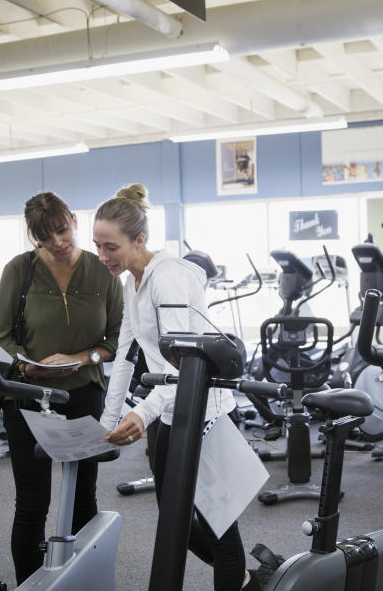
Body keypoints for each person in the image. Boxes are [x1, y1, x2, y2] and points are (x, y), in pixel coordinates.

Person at [94, 184, 259, 591]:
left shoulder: (168, 280)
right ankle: (248, 580)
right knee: (176, 524)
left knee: (221, 531)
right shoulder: (129, 283)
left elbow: (186, 366)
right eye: (97, 246)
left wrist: (141, 412)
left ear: (139, 240)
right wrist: (107, 421)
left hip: (206, 412)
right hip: (171, 410)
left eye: (110, 247)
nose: (102, 257)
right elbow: (125, 354)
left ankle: (238, 578)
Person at [0, 192, 123, 584]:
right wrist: (25, 365)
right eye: (45, 237)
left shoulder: (102, 271)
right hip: (29, 398)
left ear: (74, 221)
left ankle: (84, 581)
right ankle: (33, 584)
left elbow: (116, 338)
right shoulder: (20, 269)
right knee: (32, 504)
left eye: (62, 230)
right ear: (35, 239)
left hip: (83, 394)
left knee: (84, 499)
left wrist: (82, 358)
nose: (58, 242)